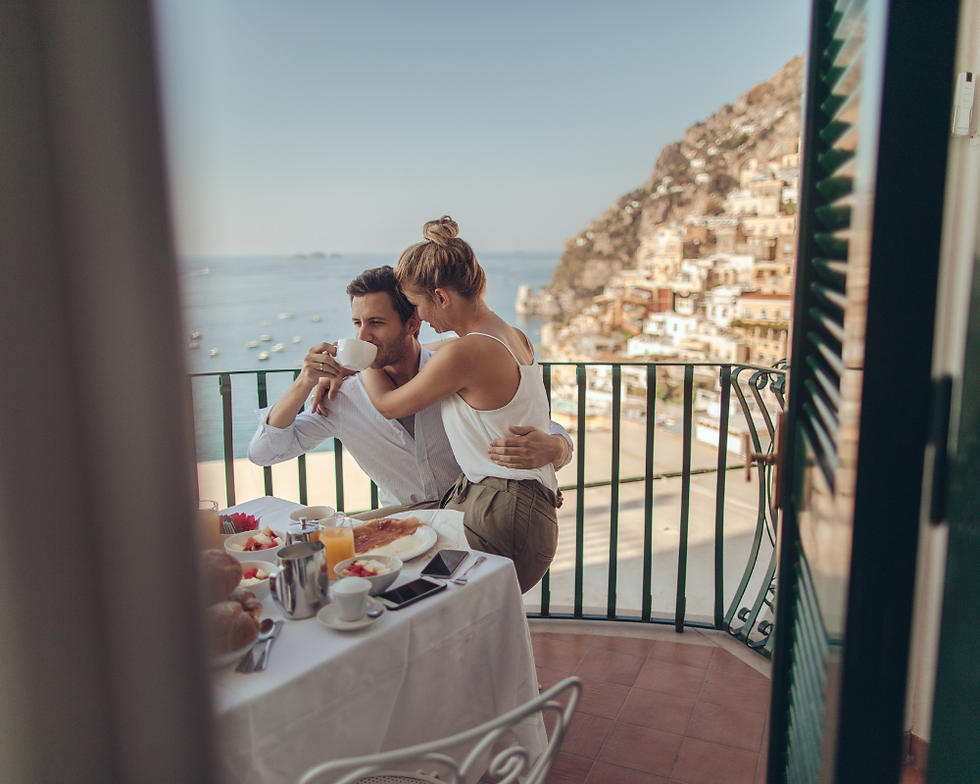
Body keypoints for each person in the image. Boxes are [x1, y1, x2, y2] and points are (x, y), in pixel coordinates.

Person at [247, 266, 572, 512]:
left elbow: (537, 424)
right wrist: (304, 382)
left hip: (475, 524)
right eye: (357, 324)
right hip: (402, 531)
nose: (362, 338)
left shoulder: (454, 371)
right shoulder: (341, 396)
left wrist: (557, 449)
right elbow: (264, 451)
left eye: (376, 323)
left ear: (412, 324)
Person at [359, 216, 561, 593]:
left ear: (441, 296)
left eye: (418, 304)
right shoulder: (511, 337)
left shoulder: (467, 352)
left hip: (503, 514)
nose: (418, 316)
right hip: (522, 511)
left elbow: (387, 404)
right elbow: (443, 354)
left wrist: (363, 356)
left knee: (408, 593)